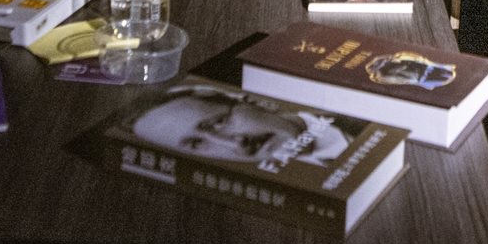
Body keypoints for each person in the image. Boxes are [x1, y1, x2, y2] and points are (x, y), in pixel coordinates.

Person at [124, 84, 352, 166]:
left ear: (250, 101)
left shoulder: (351, 106)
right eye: (195, 143)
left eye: (219, 122)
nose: (236, 143)